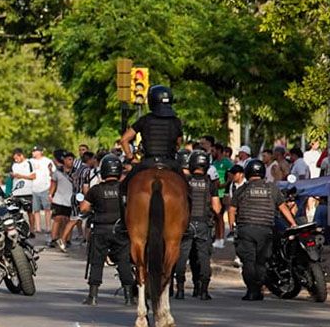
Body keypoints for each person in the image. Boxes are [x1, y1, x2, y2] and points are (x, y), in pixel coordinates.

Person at [228, 158, 297, 300]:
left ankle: (252, 291)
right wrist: (293, 223)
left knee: (248, 262)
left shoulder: (242, 190)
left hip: (246, 230)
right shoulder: (272, 188)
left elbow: (232, 209)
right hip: (265, 231)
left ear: (247, 172)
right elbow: (283, 207)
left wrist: (232, 226)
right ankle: (258, 289)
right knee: (261, 262)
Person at [78, 155, 135, 305]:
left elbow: (83, 208)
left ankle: (93, 296)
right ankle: (129, 297)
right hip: (121, 230)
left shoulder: (96, 190)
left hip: (100, 230)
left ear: (103, 171)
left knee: (96, 262)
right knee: (124, 262)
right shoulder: (125, 189)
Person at [174, 151, 221, 300]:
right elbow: (217, 208)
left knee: (182, 256)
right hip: (203, 224)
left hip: (186, 223)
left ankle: (180, 290)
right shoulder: (210, 183)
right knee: (203, 258)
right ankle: (203, 291)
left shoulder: (184, 181)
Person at [118, 85, 185, 189]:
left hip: (147, 163)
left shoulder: (145, 119)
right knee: (188, 191)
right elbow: (178, 144)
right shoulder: (176, 121)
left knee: (123, 189)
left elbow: (124, 140)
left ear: (152, 101)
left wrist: (131, 158)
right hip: (170, 163)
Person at [48, 152, 76, 252]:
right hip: (58, 199)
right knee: (57, 219)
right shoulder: (57, 172)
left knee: (68, 220)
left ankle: (66, 239)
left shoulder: (76, 173)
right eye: (69, 159)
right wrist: (50, 194)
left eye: (72, 159)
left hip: (70, 200)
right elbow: (53, 184)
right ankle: (53, 238)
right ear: (64, 160)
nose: (71, 162)